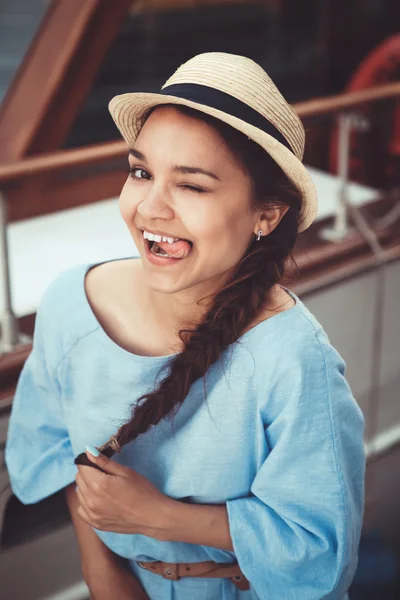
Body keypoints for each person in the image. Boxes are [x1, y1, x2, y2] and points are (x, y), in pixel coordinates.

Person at [5, 52, 365, 600]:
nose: (150, 207)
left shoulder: (293, 359)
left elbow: (319, 550)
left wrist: (162, 517)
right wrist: (101, 571)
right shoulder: (71, 305)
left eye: (192, 185)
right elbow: (58, 454)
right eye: (141, 172)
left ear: (266, 214)